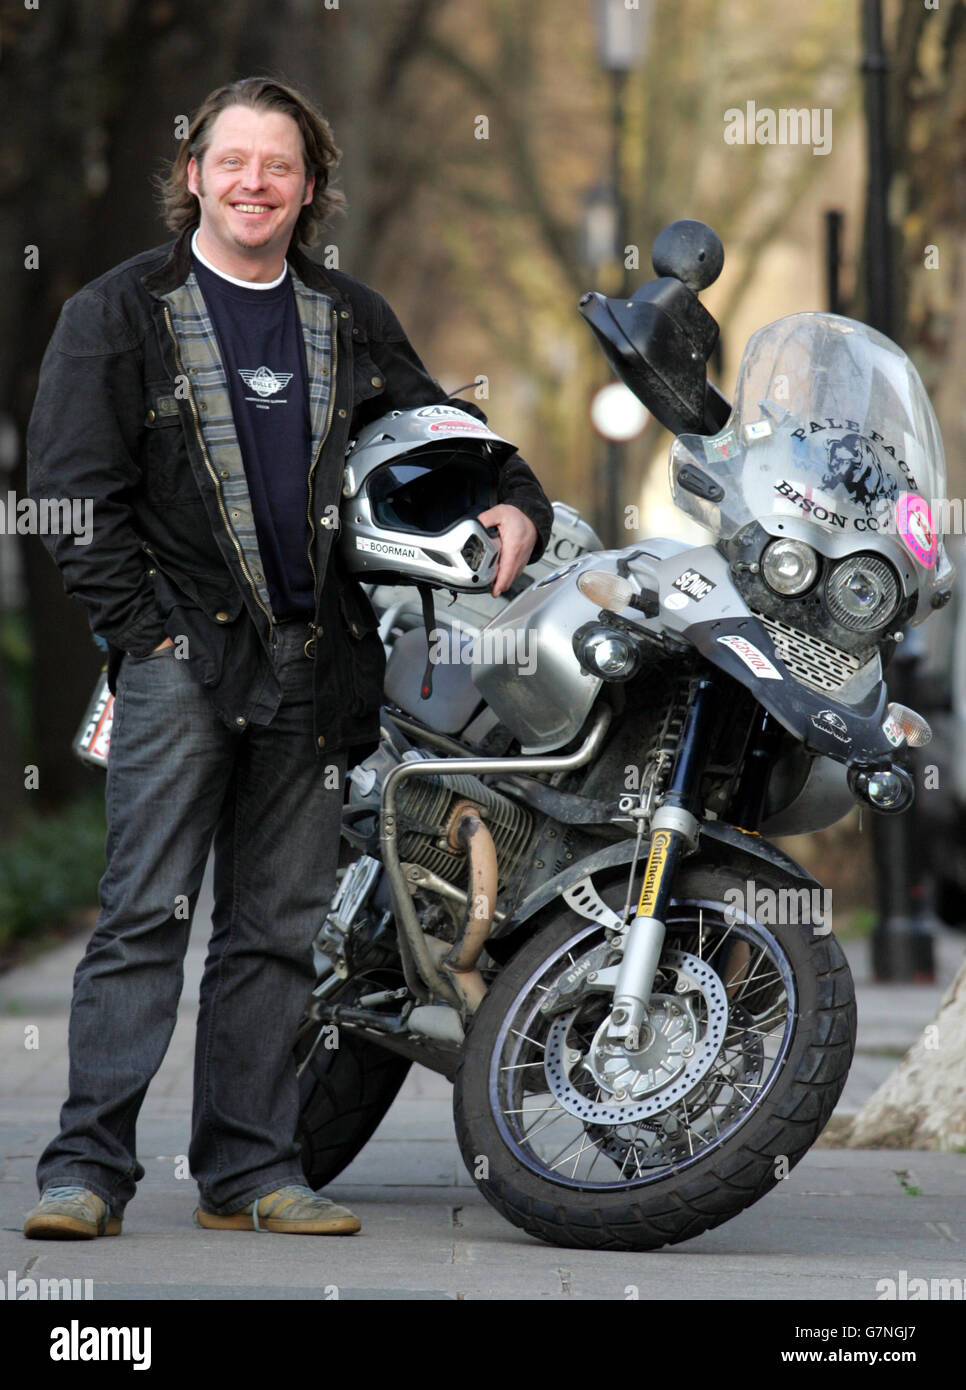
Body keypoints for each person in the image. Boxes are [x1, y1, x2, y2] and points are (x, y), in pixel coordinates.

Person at [24, 76, 553, 1239]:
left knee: (275, 932)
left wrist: (518, 498)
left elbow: (439, 434)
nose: (254, 183)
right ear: (194, 174)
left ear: (310, 186)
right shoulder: (119, 314)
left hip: (319, 675)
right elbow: (67, 495)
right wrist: (149, 636)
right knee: (143, 919)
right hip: (179, 665)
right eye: (233, 162)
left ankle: (250, 1175)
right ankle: (86, 1173)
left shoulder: (346, 316)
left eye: (279, 166)